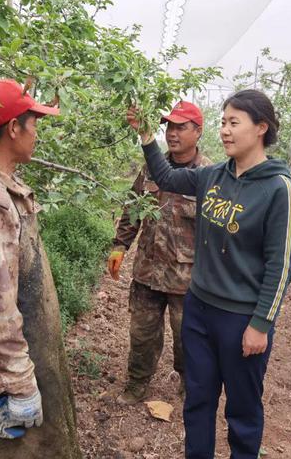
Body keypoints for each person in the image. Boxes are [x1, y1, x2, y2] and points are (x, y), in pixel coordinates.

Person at [127, 90, 291, 459]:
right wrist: (146, 135)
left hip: (240, 319)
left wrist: (261, 323)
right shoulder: (212, 176)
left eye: (234, 122)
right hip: (199, 309)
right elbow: (164, 176)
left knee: (242, 410)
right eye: (222, 122)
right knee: (198, 401)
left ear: (261, 128)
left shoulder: (278, 189)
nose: (224, 130)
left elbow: (280, 264)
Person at [0, 79, 82, 459]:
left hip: (28, 349)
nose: (37, 133)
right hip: (11, 364)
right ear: (13, 128)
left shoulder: (3, 187)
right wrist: (21, 384)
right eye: (34, 123)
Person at [108, 101, 211, 405]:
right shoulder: (151, 168)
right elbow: (132, 210)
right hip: (147, 273)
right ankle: (137, 384)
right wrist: (119, 246)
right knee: (142, 335)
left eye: (181, 127)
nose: (172, 133)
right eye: (169, 126)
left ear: (198, 132)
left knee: (187, 339)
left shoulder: (209, 176)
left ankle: (189, 386)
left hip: (187, 280)